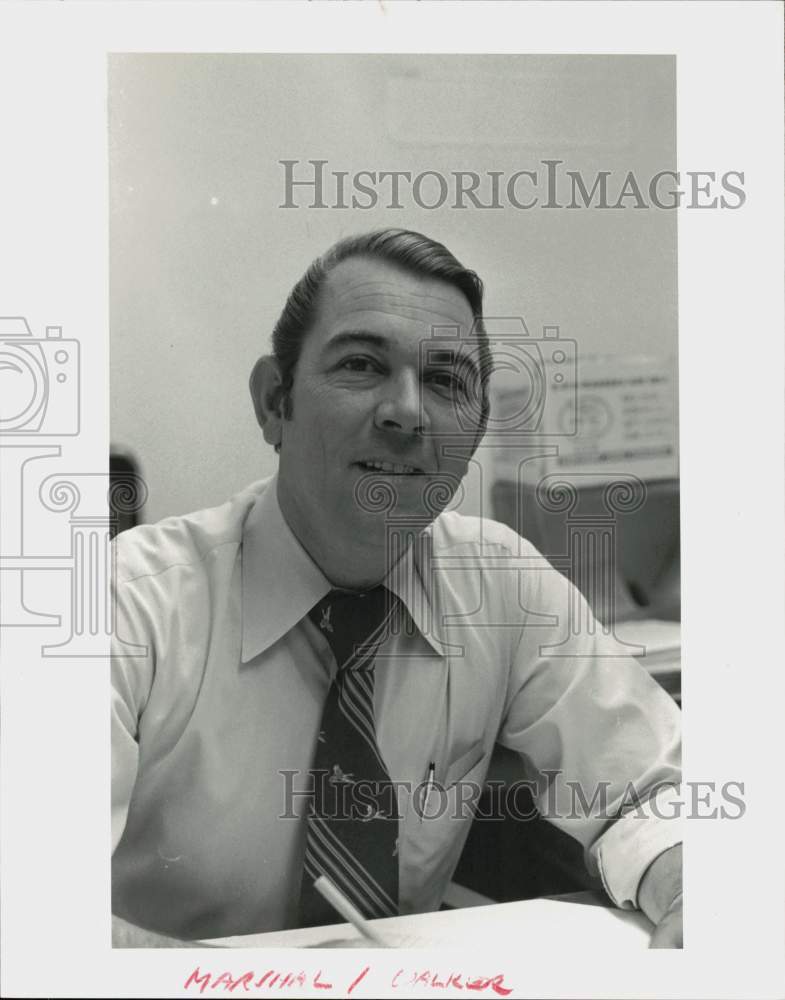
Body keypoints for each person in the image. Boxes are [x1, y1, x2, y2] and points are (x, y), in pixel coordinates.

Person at [111, 229, 682, 948]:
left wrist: (689, 885)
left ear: (473, 434)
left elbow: (643, 790)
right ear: (273, 403)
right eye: (360, 364)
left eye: (446, 381)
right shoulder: (128, 603)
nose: (406, 412)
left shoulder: (500, 583)